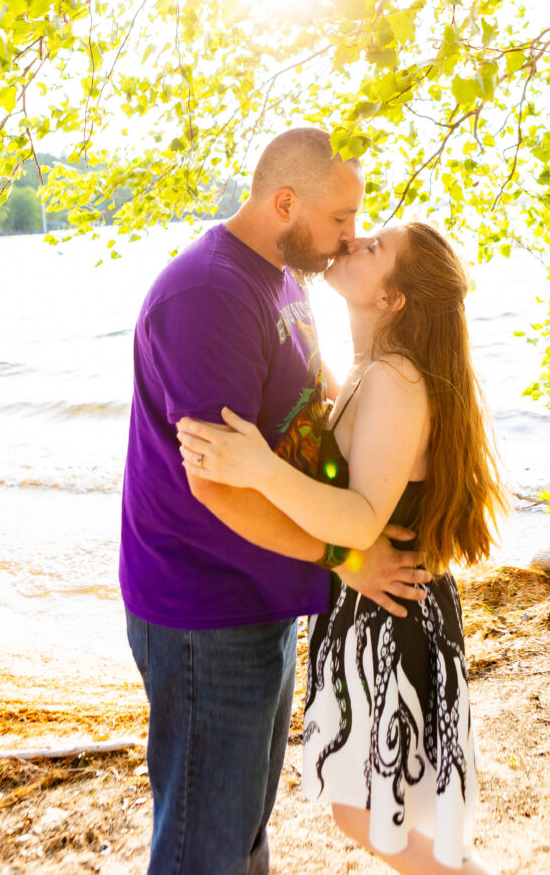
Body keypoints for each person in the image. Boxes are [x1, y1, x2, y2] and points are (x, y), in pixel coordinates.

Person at [119, 127, 432, 875]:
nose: (348, 238)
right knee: (206, 846)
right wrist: (345, 555)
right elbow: (217, 483)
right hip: (204, 603)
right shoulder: (209, 293)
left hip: (262, 587)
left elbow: (307, 394)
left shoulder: (282, 273)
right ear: (284, 202)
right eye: (340, 219)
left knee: (241, 831)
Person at [177, 221, 510, 875]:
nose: (353, 241)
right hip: (371, 607)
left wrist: (257, 471)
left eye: (373, 248)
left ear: (391, 300)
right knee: (385, 813)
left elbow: (358, 521)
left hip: (393, 614)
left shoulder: (395, 379)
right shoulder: (367, 370)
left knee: (369, 816)